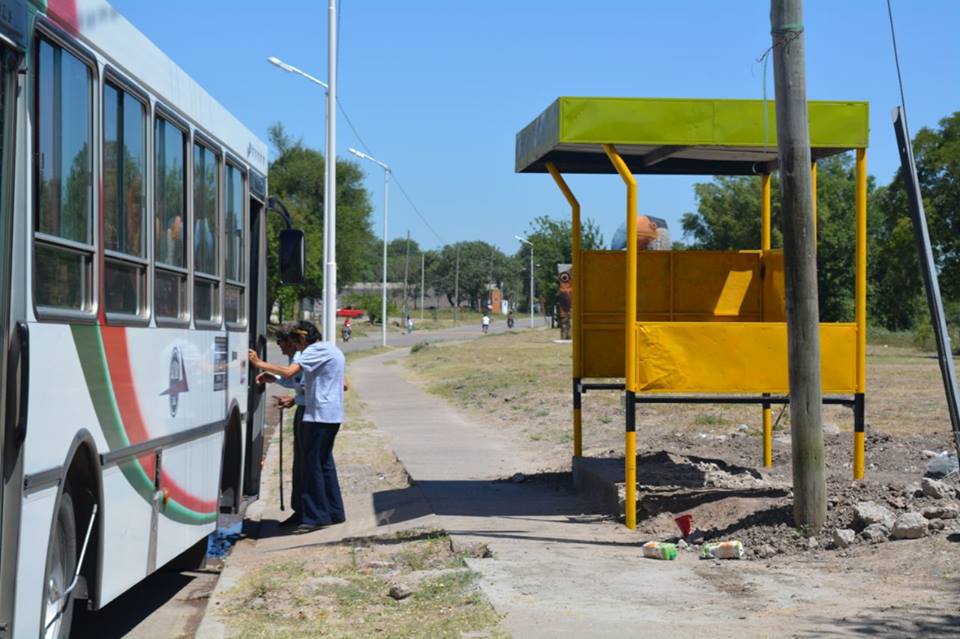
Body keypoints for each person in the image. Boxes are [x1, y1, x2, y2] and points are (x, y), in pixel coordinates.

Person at [249, 321, 347, 534]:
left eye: (295, 342)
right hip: (327, 413)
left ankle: (316, 516)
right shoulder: (330, 348)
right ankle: (332, 511)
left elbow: (288, 372)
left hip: (319, 415)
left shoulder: (313, 350)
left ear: (302, 338)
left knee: (312, 466)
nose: (295, 349)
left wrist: (259, 363)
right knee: (322, 464)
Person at [256, 323, 306, 528]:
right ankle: (301, 510)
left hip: (311, 414)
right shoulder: (295, 358)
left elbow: (291, 375)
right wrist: (275, 380)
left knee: (305, 465)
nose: (280, 347)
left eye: (281, 343)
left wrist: (259, 363)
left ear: (292, 342)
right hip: (304, 410)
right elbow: (296, 382)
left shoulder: (302, 357)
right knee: (301, 464)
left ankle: (305, 511)